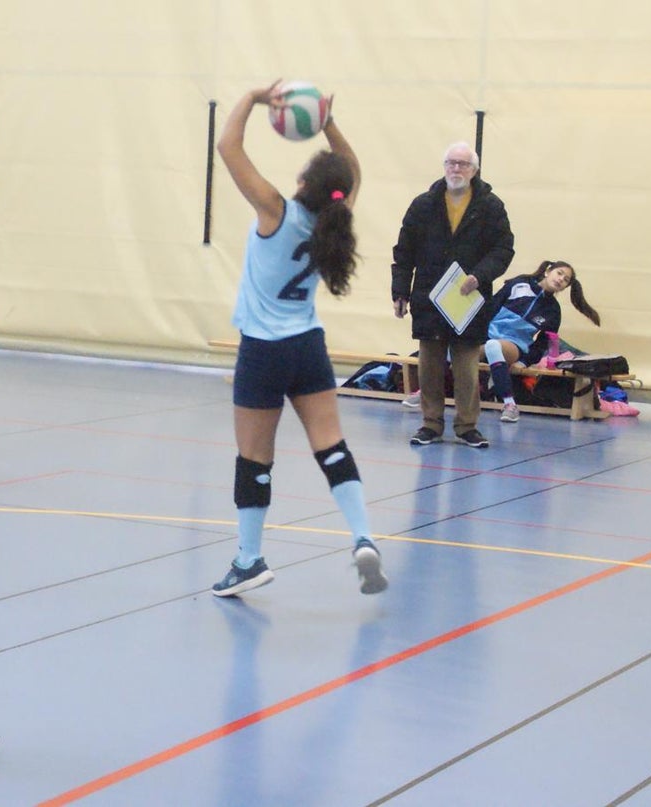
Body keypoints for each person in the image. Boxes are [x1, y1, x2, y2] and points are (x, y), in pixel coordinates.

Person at [211, 82, 387, 598]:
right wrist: (325, 119)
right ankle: (363, 535)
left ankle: (249, 560)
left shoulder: (276, 211)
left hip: (263, 350)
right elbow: (352, 168)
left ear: (304, 181)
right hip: (308, 346)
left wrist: (252, 98)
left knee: (254, 459)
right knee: (331, 446)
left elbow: (228, 147)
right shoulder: (335, 219)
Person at [391, 142, 515, 448]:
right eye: (451, 163)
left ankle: (467, 426)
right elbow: (404, 252)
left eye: (463, 164)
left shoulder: (491, 206)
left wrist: (480, 275)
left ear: (474, 170)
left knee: (466, 367)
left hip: (468, 299)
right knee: (430, 365)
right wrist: (400, 291)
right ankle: (430, 424)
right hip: (429, 297)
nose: (456, 169)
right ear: (444, 166)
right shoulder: (423, 204)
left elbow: (503, 249)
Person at [482, 259, 601, 422]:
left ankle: (510, 405)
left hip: (513, 345)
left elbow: (542, 343)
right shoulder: (519, 284)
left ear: (565, 287)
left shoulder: (553, 311)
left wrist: (524, 361)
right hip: (484, 337)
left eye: (566, 280)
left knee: (493, 346)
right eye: (559, 273)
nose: (561, 279)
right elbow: (489, 309)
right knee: (457, 350)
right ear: (547, 271)